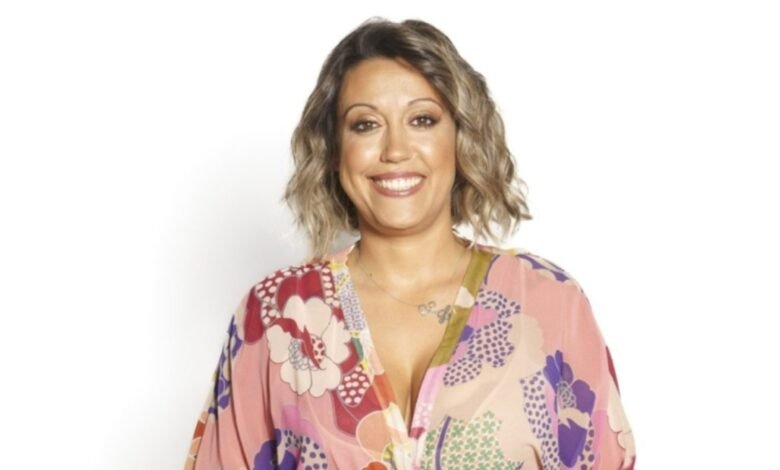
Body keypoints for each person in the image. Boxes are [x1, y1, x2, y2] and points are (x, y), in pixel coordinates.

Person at [184, 17, 636, 470]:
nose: (396, 150)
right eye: (366, 124)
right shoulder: (274, 314)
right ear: (335, 149)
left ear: (460, 137)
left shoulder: (550, 302)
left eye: (422, 120)